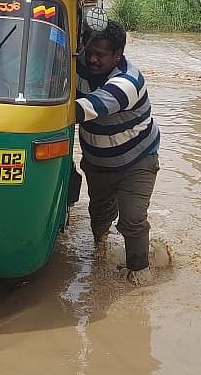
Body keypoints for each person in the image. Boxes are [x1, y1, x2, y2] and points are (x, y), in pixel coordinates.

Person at [75, 20, 161, 283]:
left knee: (133, 220)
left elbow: (76, 111)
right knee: (99, 215)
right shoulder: (76, 64)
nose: (92, 59)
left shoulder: (127, 83)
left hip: (137, 161)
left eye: (100, 55)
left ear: (118, 55)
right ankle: (101, 255)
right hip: (97, 161)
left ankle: (139, 274)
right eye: (89, 52)